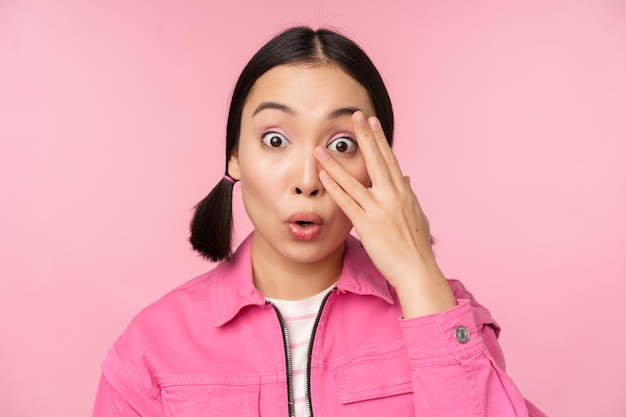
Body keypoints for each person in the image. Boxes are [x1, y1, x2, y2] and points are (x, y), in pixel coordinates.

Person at [92, 26, 547, 416]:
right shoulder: (151, 349)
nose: (308, 180)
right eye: (274, 139)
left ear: (378, 165)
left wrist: (417, 275)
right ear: (234, 155)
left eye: (344, 146)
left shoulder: (443, 312)